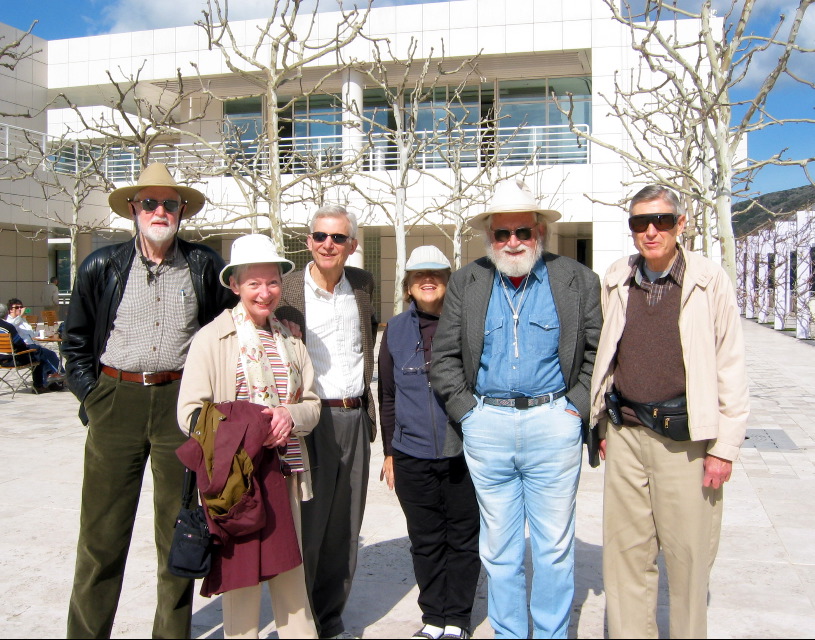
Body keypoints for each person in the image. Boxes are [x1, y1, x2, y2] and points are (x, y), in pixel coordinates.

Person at [62, 162, 235, 639]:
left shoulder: (204, 266)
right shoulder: (102, 265)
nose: (160, 211)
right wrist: (92, 396)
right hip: (115, 403)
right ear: (134, 210)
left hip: (179, 405)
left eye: (170, 203)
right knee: (101, 537)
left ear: (182, 211)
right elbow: (74, 341)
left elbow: (226, 333)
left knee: (176, 531)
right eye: (150, 203)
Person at [430, 178, 602, 639]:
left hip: (554, 424)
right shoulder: (467, 280)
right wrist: (468, 412)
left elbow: (596, 351)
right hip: (488, 425)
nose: (513, 242)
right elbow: (443, 357)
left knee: (553, 548)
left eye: (522, 232)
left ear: (539, 232)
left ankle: (549, 634)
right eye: (502, 233)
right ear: (489, 235)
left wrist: (575, 409)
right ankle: (508, 633)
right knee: (500, 550)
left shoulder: (577, 279)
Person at [589, 185, 749, 639]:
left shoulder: (708, 280)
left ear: (681, 224)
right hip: (626, 433)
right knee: (624, 559)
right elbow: (609, 354)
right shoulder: (617, 276)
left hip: (687, 439)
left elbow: (730, 365)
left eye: (661, 220)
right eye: (640, 223)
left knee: (688, 560)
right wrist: (601, 421)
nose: (651, 231)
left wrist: (726, 448)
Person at [177, 233, 320, 639]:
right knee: (240, 579)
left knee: (289, 572)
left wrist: (289, 416)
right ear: (235, 285)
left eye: (272, 282)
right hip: (234, 478)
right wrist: (251, 425)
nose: (265, 292)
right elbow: (189, 414)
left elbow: (311, 403)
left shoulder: (290, 338)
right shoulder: (212, 338)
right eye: (254, 283)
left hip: (284, 470)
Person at [276, 204, 378, 640]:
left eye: (338, 238)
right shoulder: (285, 291)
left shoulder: (362, 286)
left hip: (354, 415)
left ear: (352, 245)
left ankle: (331, 618)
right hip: (309, 419)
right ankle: (303, 623)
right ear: (308, 241)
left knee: (345, 526)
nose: (328, 245)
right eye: (320, 236)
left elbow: (367, 343)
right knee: (309, 526)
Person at [378, 246, 480, 640]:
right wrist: (390, 451)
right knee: (425, 540)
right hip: (411, 454)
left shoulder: (467, 326)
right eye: (419, 275)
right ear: (407, 285)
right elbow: (387, 396)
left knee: (462, 537)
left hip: (462, 453)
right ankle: (433, 618)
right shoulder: (395, 331)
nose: (428, 280)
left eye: (436, 273)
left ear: (448, 281)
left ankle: (457, 618)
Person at [6, 297, 62, 391]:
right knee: (41, 355)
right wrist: (20, 316)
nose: (20, 309)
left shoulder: (23, 320)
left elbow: (31, 333)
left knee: (50, 353)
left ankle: (55, 379)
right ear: (10, 310)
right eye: (17, 307)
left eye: (21, 307)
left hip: (33, 346)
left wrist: (43, 333)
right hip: (23, 351)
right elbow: (12, 327)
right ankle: (53, 377)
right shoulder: (9, 322)